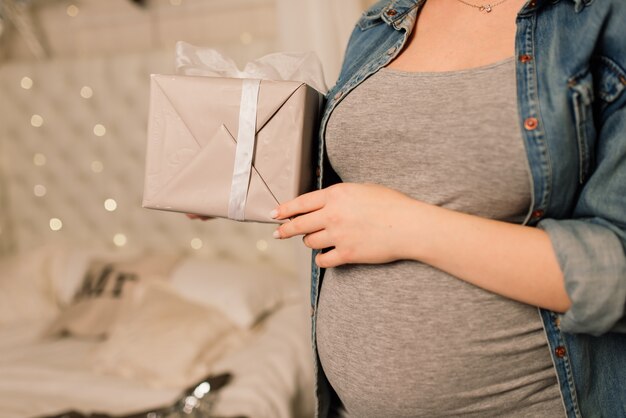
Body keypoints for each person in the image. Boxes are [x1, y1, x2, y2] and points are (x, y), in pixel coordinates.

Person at [268, 0, 626, 417]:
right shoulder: (382, 22)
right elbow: (361, 187)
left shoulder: (603, 17)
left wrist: (406, 228)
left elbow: (616, 271)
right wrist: (243, 177)